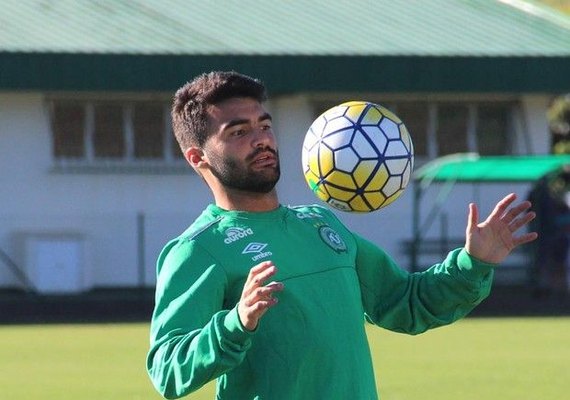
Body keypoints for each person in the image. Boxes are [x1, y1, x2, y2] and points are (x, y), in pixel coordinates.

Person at [146, 71, 538, 400]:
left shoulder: (320, 224)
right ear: (198, 157)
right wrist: (236, 322)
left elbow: (406, 302)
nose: (261, 139)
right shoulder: (197, 250)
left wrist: (473, 263)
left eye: (264, 125)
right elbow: (167, 369)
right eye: (239, 132)